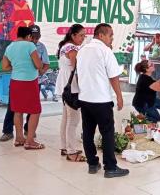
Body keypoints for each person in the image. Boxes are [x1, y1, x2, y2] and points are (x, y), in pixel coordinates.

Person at [77, 23, 129, 178]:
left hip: (85, 98)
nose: (112, 38)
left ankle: (92, 164)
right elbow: (114, 76)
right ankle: (110, 167)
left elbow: (80, 74)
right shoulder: (105, 51)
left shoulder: (82, 50)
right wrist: (119, 96)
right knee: (107, 133)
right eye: (110, 35)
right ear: (101, 35)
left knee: (87, 132)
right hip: (101, 100)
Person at [0, 25, 49, 142]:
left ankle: (19, 138)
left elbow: (5, 67)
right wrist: (38, 66)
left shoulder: (10, 47)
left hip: (15, 81)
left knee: (17, 110)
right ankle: (30, 141)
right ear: (28, 36)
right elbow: (38, 65)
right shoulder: (30, 45)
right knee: (35, 111)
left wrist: (17, 67)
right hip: (30, 82)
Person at [54, 24, 87, 161]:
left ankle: (65, 147)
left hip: (64, 86)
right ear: (73, 35)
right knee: (73, 120)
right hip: (71, 87)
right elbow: (77, 68)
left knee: (66, 118)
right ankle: (72, 152)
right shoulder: (72, 48)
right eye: (80, 35)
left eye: (84, 36)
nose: (83, 38)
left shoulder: (64, 46)